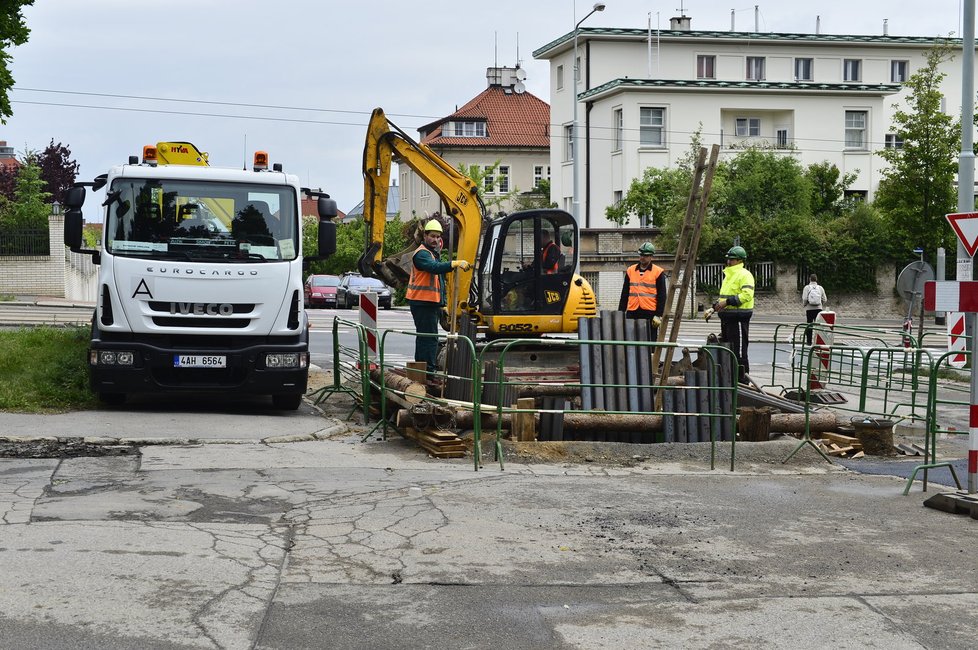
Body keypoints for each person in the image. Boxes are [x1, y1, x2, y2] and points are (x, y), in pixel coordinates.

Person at [407, 219, 471, 377]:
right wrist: (454, 263)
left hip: (430, 303)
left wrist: (441, 303)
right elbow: (434, 269)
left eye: (438, 237)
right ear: (425, 236)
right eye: (432, 236)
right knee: (429, 338)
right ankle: (428, 371)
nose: (435, 239)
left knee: (426, 337)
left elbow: (438, 281)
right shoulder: (422, 254)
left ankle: (422, 370)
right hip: (422, 302)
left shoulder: (432, 254)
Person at [714, 245, 755, 382]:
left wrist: (726, 303)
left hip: (739, 318)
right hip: (727, 318)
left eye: (732, 259)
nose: (729, 261)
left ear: (739, 260)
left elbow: (746, 295)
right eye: (728, 259)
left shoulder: (744, 275)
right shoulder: (728, 275)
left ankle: (742, 382)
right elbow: (724, 296)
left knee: (739, 353)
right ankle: (731, 381)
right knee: (729, 351)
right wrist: (716, 305)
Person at [618, 242, 667, 340]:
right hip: (633, 311)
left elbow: (662, 296)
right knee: (631, 339)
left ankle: (651, 355)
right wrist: (620, 312)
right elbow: (625, 293)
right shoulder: (630, 270)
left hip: (649, 312)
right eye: (641, 255)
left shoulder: (658, 272)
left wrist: (658, 315)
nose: (642, 257)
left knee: (649, 340)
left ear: (651, 256)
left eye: (645, 255)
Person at [801, 273, 827, 345]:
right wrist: (820, 304)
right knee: (818, 325)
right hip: (818, 309)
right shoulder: (820, 288)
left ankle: (809, 341)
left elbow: (805, 298)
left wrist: (805, 305)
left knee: (809, 324)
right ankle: (818, 341)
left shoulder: (807, 287)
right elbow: (825, 299)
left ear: (810, 279)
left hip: (809, 309)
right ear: (816, 280)